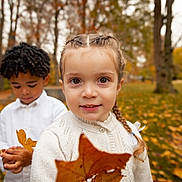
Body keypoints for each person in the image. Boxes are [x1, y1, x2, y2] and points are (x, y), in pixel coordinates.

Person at [30, 33, 153, 182]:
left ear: (118, 86)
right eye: (76, 80)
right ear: (63, 87)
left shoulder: (131, 135)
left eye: (103, 80)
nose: (89, 93)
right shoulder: (53, 141)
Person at [0, 42, 67, 182]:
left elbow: (63, 151)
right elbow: (2, 144)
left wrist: (32, 158)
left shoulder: (57, 110)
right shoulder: (6, 114)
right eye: (16, 86)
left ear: (45, 79)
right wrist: (8, 160)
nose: (24, 91)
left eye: (31, 85)